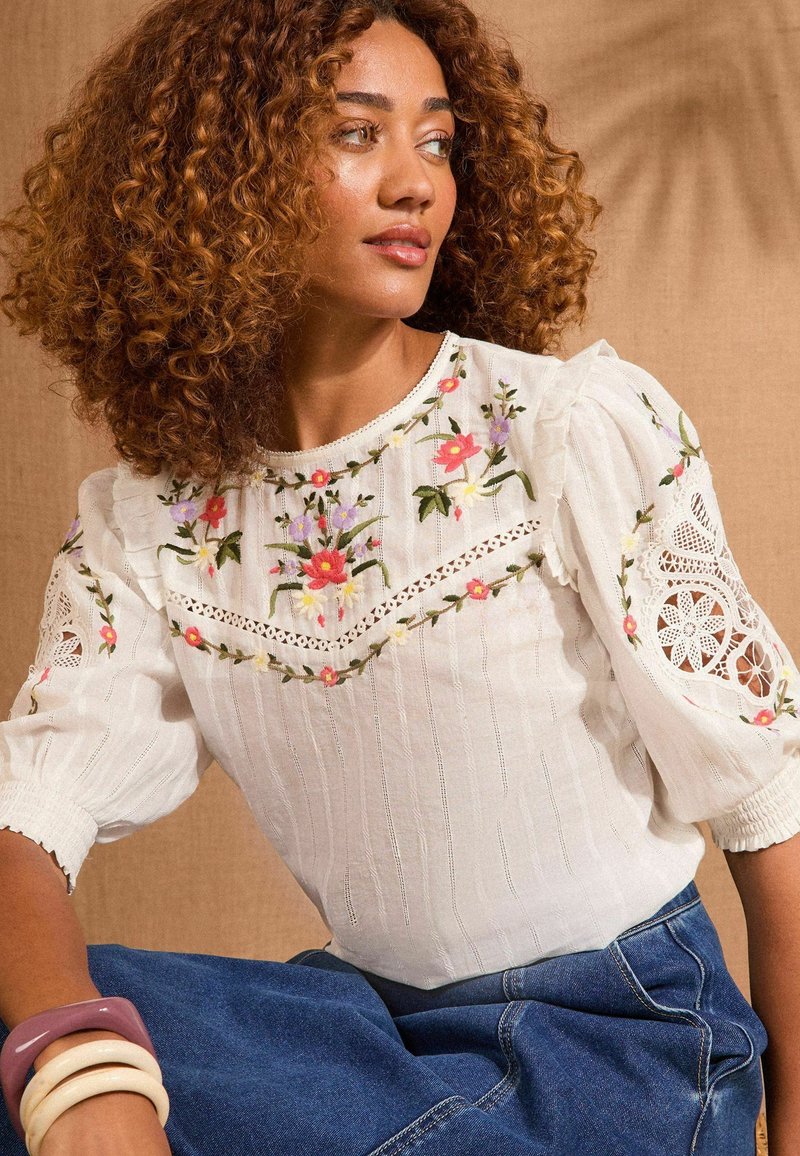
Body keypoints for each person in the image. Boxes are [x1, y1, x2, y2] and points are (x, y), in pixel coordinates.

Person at [0, 1, 796, 1153]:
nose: (414, 182)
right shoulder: (156, 523)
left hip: (616, 1049)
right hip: (377, 1036)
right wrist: (77, 1060)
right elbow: (26, 820)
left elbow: (770, 804)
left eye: (435, 141)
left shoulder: (560, 430)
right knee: (31, 1010)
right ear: (219, 177)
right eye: (355, 132)